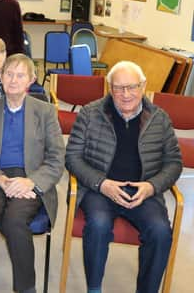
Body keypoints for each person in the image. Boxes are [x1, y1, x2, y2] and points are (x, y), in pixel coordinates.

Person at [65, 61, 182, 293]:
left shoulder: (160, 118)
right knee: (98, 225)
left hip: (142, 192)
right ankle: (95, 288)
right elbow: (72, 157)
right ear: (110, 88)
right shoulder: (90, 113)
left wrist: (151, 186)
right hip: (100, 189)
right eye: (118, 88)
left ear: (143, 86)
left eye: (131, 87)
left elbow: (174, 163)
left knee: (160, 231)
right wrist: (102, 184)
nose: (125, 94)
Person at [0, 53, 65, 293]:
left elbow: (57, 158)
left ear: (31, 80)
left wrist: (31, 182)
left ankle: (26, 289)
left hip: (31, 178)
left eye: (20, 75)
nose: (14, 80)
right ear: (1, 78)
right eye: (9, 74)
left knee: (15, 221)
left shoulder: (45, 112)